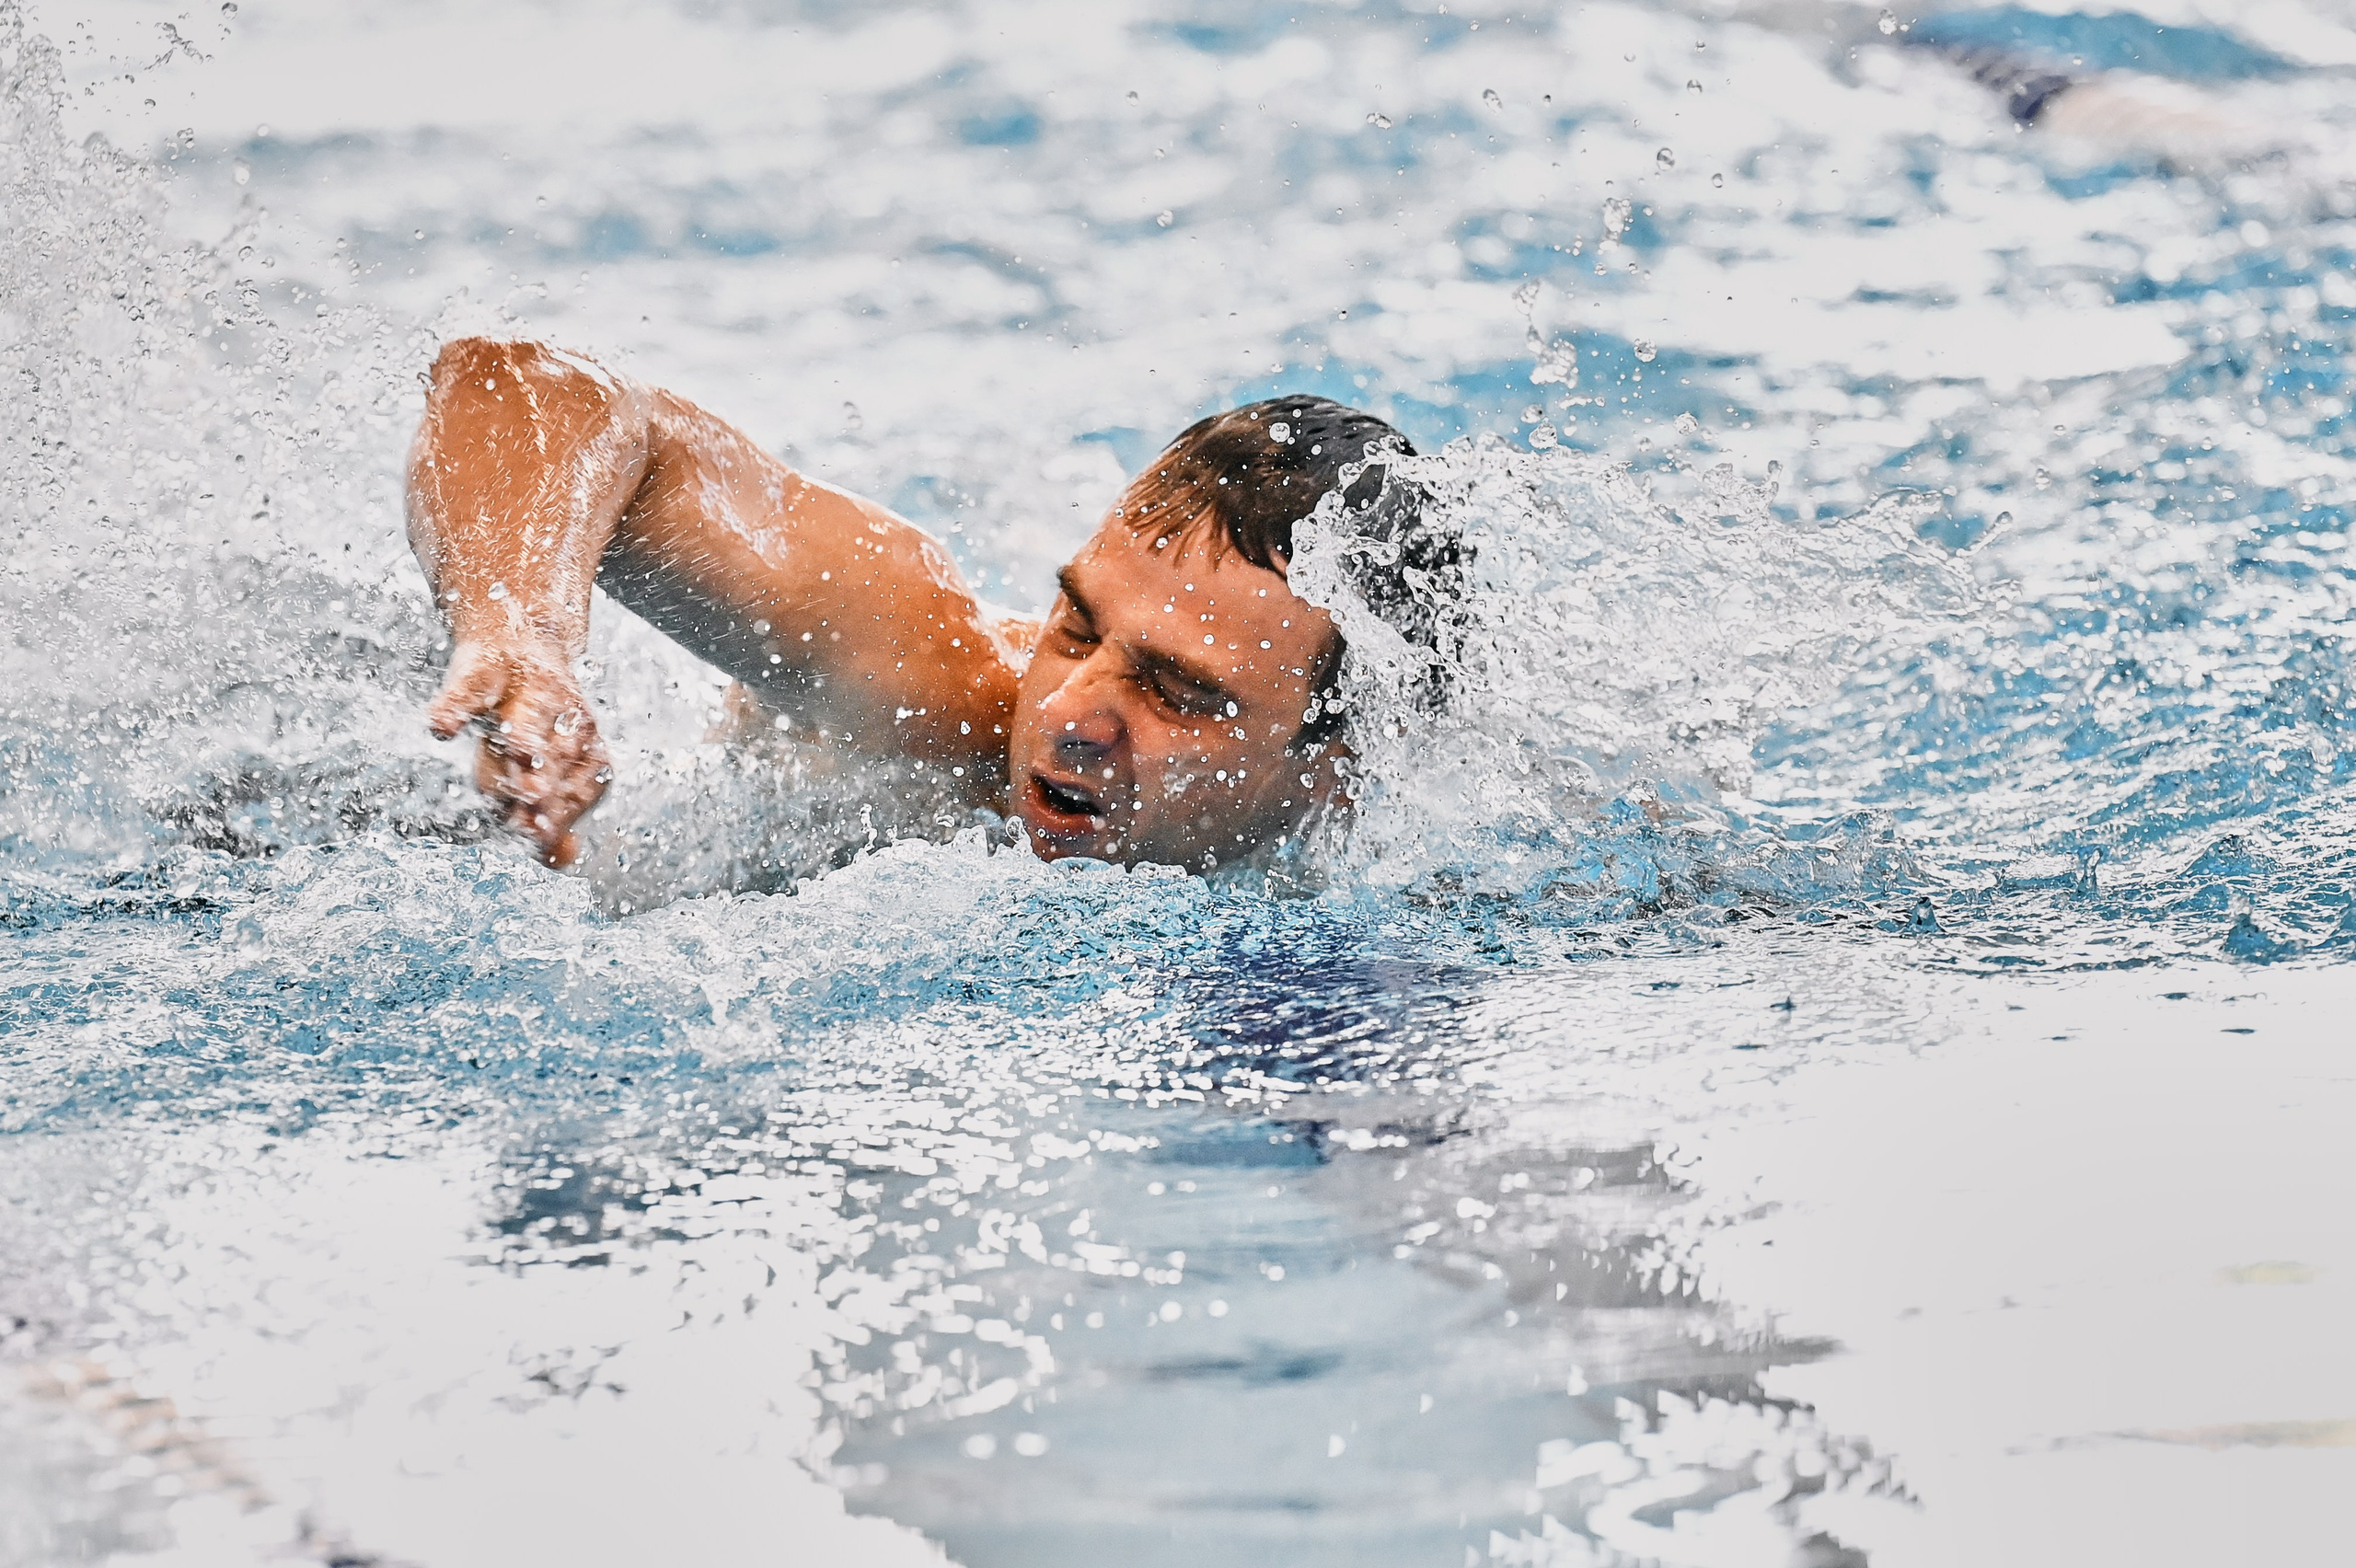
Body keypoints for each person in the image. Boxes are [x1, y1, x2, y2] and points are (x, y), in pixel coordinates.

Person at [404, 338, 1453, 874]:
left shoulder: (1456, 857)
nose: (1069, 718)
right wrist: (518, 630)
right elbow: (522, 383)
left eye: (1177, 690)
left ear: (1339, 772)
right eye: (1077, 628)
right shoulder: (935, 688)